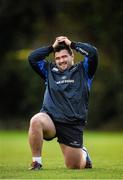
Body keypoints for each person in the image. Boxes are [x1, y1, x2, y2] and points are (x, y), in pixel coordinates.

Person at [28, 36, 98, 170]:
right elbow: (32, 58)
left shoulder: (85, 70)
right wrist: (52, 47)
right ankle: (37, 162)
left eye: (64, 57)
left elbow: (93, 53)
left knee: (74, 166)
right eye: (58, 58)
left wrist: (72, 44)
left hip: (72, 124)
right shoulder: (48, 70)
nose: (61, 61)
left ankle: (83, 154)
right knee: (36, 120)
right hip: (50, 119)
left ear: (72, 56)